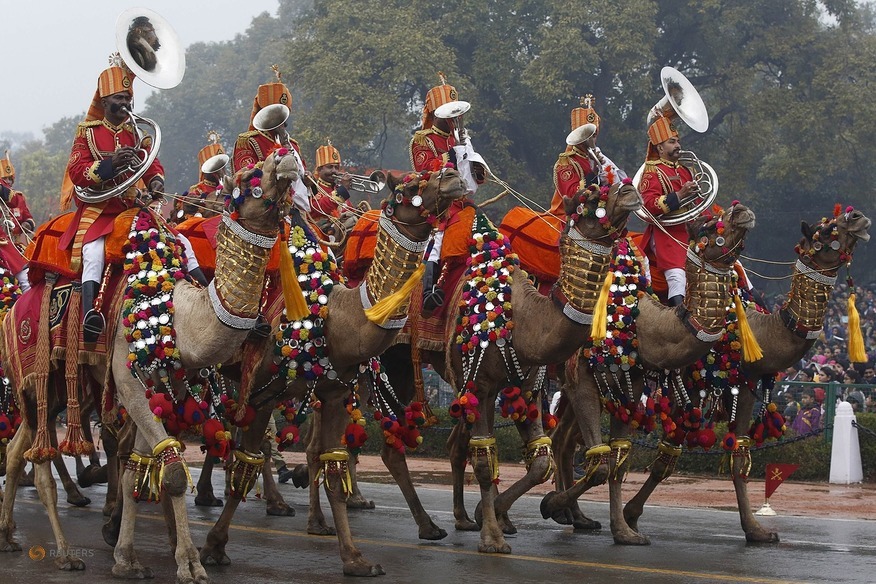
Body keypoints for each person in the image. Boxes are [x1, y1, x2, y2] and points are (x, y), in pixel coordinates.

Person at [60, 63, 203, 343]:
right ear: (105, 101)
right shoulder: (86, 132)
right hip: (100, 209)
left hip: (133, 207)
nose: (125, 103)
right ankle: (92, 314)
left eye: (127, 98)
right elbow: (77, 172)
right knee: (92, 252)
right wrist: (109, 165)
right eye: (119, 99)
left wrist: (156, 182)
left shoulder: (135, 131)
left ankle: (204, 295)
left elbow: (151, 163)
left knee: (181, 242)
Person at [409, 73, 488, 313]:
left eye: (457, 112)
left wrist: (475, 165)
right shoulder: (422, 140)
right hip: (437, 205)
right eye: (448, 111)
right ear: (434, 113)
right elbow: (426, 172)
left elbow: (473, 179)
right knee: (437, 242)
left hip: (463, 203)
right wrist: (451, 157)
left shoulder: (460, 139)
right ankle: (429, 291)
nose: (456, 118)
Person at [233, 65, 310, 213]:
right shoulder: (248, 141)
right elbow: (245, 177)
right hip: (262, 210)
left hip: (295, 209)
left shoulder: (293, 145)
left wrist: (307, 180)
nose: (282, 122)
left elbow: (301, 179)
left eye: (283, 115)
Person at [548, 95, 627, 216]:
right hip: (569, 217)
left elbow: (614, 187)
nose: (591, 140)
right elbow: (572, 195)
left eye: (594, 136)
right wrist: (595, 173)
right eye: (586, 136)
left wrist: (604, 173)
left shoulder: (602, 159)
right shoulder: (566, 162)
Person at [175, 131, 228, 223]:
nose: (220, 170)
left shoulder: (228, 187)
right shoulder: (197, 190)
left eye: (222, 166)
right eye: (215, 167)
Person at [308, 139, 352, 223]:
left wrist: (359, 210)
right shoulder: (313, 188)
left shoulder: (337, 187)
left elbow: (349, 209)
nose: (334, 171)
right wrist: (343, 190)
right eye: (330, 167)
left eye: (336, 167)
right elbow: (319, 208)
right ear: (319, 169)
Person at [0, 150, 36, 249]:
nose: (8, 182)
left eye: (10, 178)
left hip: (17, 243)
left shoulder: (19, 198)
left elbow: (29, 219)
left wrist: (27, 225)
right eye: (5, 179)